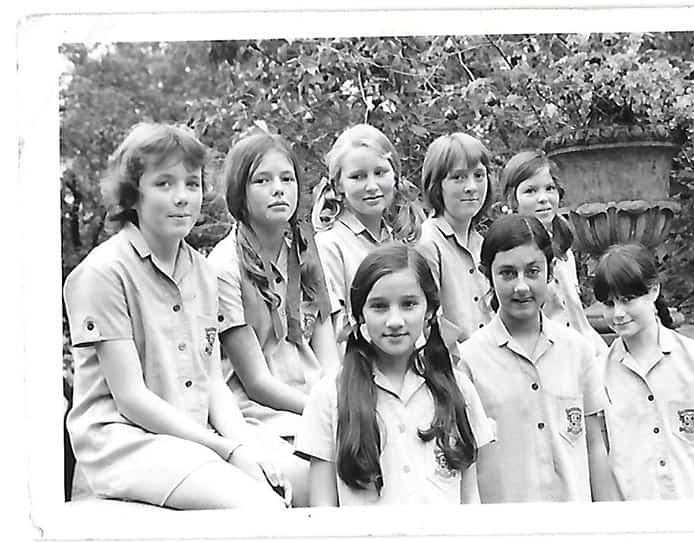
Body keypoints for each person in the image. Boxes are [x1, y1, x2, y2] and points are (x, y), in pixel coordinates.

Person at [63, 123, 289, 510]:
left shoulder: (201, 271)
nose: (182, 197)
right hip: (126, 443)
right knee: (259, 507)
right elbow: (132, 399)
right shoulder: (102, 273)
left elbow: (212, 381)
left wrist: (247, 447)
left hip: (192, 439)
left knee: (302, 478)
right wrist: (228, 451)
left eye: (192, 183)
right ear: (133, 194)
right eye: (164, 184)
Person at [294, 243, 495, 506]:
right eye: (379, 306)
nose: (395, 321)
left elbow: (471, 502)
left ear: (430, 311)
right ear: (359, 315)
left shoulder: (459, 390)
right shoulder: (330, 396)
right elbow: (323, 512)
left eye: (409, 304)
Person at [206, 127, 339, 506]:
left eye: (287, 178)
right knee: (313, 480)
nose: (279, 189)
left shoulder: (306, 251)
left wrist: (339, 401)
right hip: (264, 416)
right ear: (239, 193)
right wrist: (324, 411)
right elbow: (257, 382)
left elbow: (328, 351)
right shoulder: (225, 267)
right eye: (262, 180)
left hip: (319, 402)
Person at [457, 214, 609, 503]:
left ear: (550, 271)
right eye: (508, 273)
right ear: (486, 274)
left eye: (532, 271)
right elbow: (470, 462)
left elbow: (594, 446)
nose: (522, 286)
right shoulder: (469, 361)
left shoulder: (578, 351)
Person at [592, 243, 694, 500]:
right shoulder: (599, 372)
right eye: (609, 304)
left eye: (627, 300)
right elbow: (603, 457)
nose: (619, 313)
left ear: (653, 290)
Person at [312, 124, 424, 344]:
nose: (372, 186)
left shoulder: (400, 239)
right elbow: (333, 332)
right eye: (358, 177)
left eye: (380, 173)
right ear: (339, 184)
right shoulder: (329, 245)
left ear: (394, 176)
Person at [500, 150, 607, 355]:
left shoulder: (563, 249)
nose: (543, 198)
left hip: (584, 351)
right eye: (530, 191)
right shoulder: (509, 253)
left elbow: (577, 318)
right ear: (513, 200)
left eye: (550, 188)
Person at [415, 133, 494, 349]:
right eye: (458, 177)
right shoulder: (427, 244)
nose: (471, 187)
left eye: (479, 175)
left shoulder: (483, 243)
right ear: (436, 185)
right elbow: (427, 324)